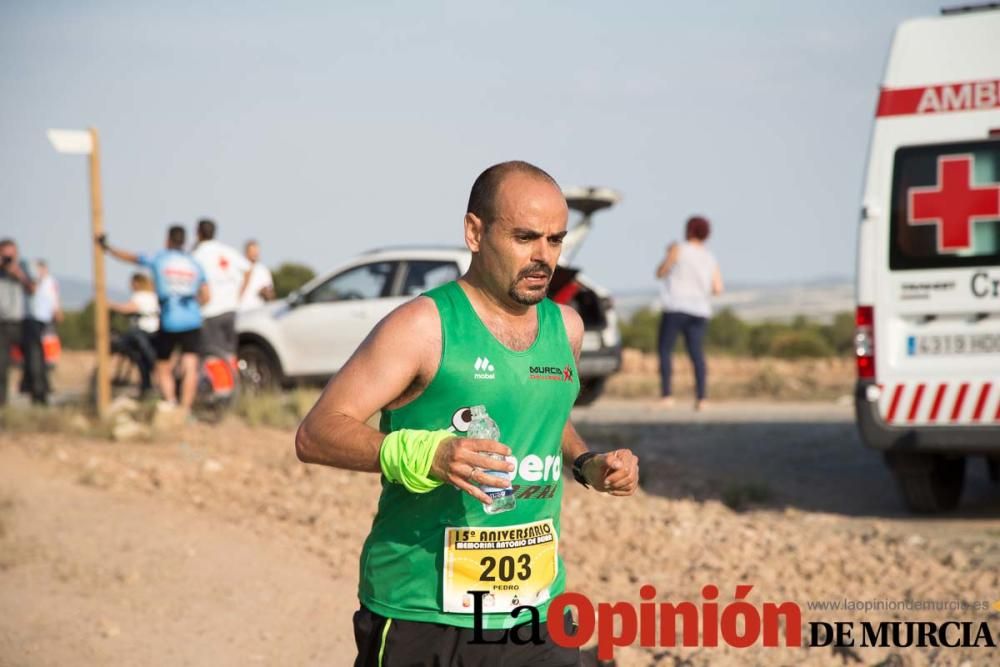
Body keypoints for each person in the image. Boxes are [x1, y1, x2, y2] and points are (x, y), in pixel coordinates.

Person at [295, 161, 640, 666]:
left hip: (534, 609)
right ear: (475, 232)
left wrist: (587, 462)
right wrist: (428, 454)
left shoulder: (565, 327)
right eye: (525, 237)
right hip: (423, 609)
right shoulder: (422, 326)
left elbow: (544, 412)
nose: (543, 256)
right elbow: (317, 434)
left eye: (555, 240)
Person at [99, 226, 209, 414]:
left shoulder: (160, 259)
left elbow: (132, 258)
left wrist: (108, 248)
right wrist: (192, 305)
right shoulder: (194, 264)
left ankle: (171, 402)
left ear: (168, 240)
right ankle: (185, 409)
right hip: (192, 319)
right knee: (190, 366)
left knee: (161, 365)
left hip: (170, 320)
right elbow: (206, 295)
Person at [655, 215, 724, 411]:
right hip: (700, 310)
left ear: (689, 230)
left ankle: (667, 396)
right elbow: (718, 288)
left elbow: (660, 272)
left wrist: (668, 254)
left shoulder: (679, 249)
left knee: (665, 351)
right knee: (697, 355)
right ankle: (702, 398)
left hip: (676, 307)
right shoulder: (710, 257)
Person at [192, 218, 249, 358]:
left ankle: (222, 381)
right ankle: (232, 380)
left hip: (210, 311)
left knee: (213, 355)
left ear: (198, 233)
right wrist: (239, 295)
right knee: (230, 354)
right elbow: (247, 270)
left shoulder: (197, 255)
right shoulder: (227, 251)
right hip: (231, 309)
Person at [108, 273, 160, 395]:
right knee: (145, 361)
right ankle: (147, 387)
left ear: (136, 283)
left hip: (142, 332)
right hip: (156, 332)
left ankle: (147, 386)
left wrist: (111, 305)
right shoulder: (154, 295)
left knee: (142, 358)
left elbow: (128, 308)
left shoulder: (140, 296)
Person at [0, 239, 37, 406]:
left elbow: (32, 289)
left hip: (23, 320)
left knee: (35, 362)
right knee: (1, 364)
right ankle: (2, 402)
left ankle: (38, 399)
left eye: (11, 254)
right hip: (2, 323)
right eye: (5, 255)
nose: (8, 258)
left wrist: (18, 273)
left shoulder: (23, 267)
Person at [20, 259, 62, 402]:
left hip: (45, 321)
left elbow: (53, 298)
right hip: (33, 319)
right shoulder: (34, 281)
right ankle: (35, 385)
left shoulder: (50, 282)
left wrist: (56, 311)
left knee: (43, 356)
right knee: (35, 356)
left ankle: (41, 386)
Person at [238, 239, 274, 311]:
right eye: (252, 251)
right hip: (241, 309)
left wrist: (265, 292)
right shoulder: (238, 268)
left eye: (256, 251)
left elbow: (271, 294)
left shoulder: (263, 270)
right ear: (246, 252)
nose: (255, 254)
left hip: (258, 310)